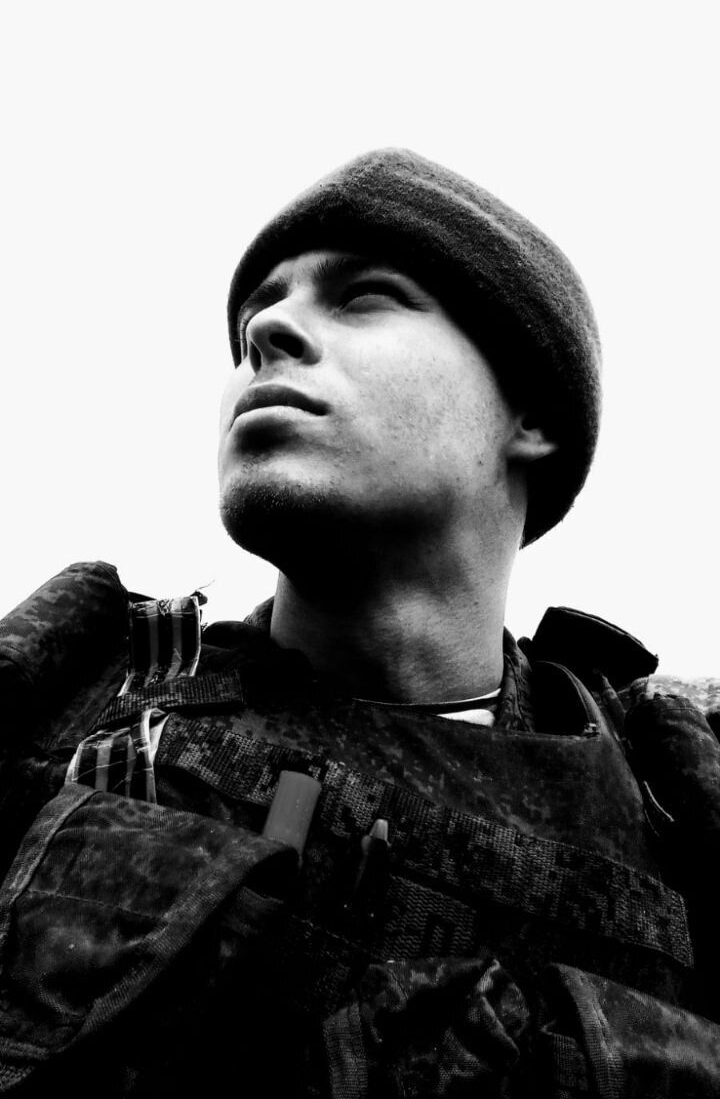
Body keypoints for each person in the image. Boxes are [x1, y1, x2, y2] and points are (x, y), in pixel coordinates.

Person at [1, 148, 720, 1096]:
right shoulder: (60, 693)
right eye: (257, 312)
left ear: (534, 414)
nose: (265, 331)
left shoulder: (681, 799)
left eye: (364, 298)